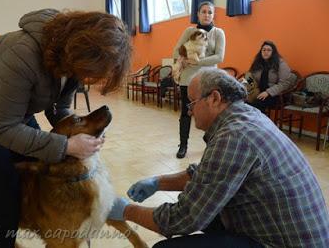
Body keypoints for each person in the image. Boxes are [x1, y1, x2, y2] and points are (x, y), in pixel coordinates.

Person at [0, 9, 131, 247]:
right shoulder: (21, 54)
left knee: (49, 169)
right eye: (90, 73)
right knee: (4, 202)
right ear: (82, 49)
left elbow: (58, 109)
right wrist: (66, 145)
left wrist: (78, 132)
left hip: (14, 117)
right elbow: (2, 128)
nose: (88, 79)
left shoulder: (73, 58)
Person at [108, 68, 329, 248]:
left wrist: (128, 210)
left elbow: (183, 218)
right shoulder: (247, 116)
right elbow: (206, 175)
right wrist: (158, 182)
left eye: (192, 103)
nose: (188, 112)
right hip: (288, 231)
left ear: (214, 98)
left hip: (282, 243)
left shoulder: (234, 137)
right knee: (209, 211)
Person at [173, 1, 225, 159]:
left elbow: (220, 57)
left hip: (209, 79)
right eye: (204, 11)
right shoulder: (189, 31)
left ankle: (211, 146)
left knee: (212, 113)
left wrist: (199, 62)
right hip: (188, 79)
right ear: (198, 14)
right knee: (186, 112)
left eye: (210, 12)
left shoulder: (218, 33)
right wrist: (187, 58)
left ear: (213, 15)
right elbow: (176, 51)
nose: (207, 15)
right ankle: (183, 145)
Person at [247, 40, 294, 112]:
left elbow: (285, 83)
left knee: (257, 104)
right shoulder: (257, 63)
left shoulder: (281, 64)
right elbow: (250, 77)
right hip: (257, 92)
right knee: (242, 103)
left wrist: (268, 92)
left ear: (273, 52)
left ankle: (258, 123)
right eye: (264, 50)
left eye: (269, 50)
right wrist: (245, 81)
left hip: (275, 94)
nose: (266, 52)